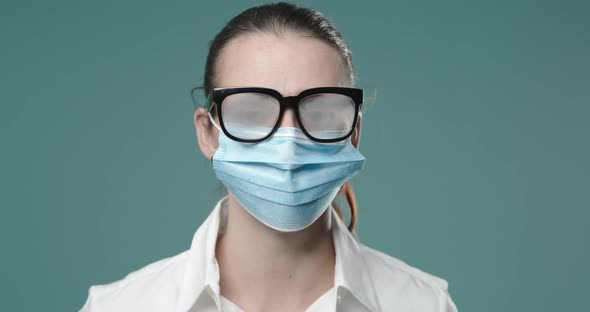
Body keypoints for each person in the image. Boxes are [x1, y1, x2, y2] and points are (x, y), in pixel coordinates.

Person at [80, 2, 457, 311]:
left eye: (321, 110)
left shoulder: (423, 304)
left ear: (354, 131)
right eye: (252, 111)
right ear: (208, 132)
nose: (289, 138)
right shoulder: (120, 306)